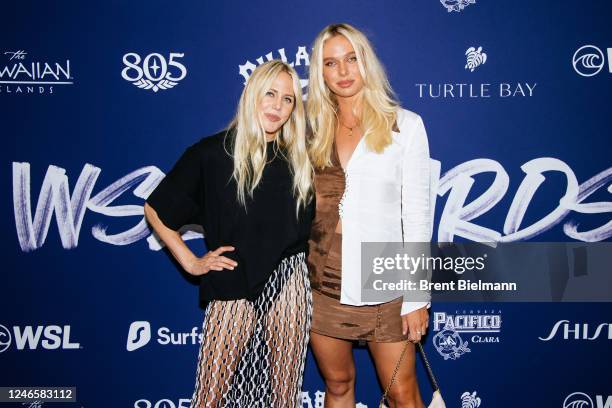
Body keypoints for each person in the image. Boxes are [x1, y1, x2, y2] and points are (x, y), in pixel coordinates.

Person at [144, 60, 314, 408]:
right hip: (233, 279)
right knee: (210, 396)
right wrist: (191, 262)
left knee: (285, 399)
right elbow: (156, 209)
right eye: (270, 94)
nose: (277, 106)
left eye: (287, 99)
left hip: (289, 283)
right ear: (252, 94)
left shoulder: (299, 159)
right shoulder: (211, 153)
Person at [306, 23, 432, 408]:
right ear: (320, 72)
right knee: (339, 384)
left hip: (385, 276)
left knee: (402, 394)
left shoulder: (405, 126)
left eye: (351, 59)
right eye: (331, 63)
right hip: (322, 278)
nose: (343, 72)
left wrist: (416, 297)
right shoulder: (310, 130)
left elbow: (418, 214)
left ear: (367, 63)